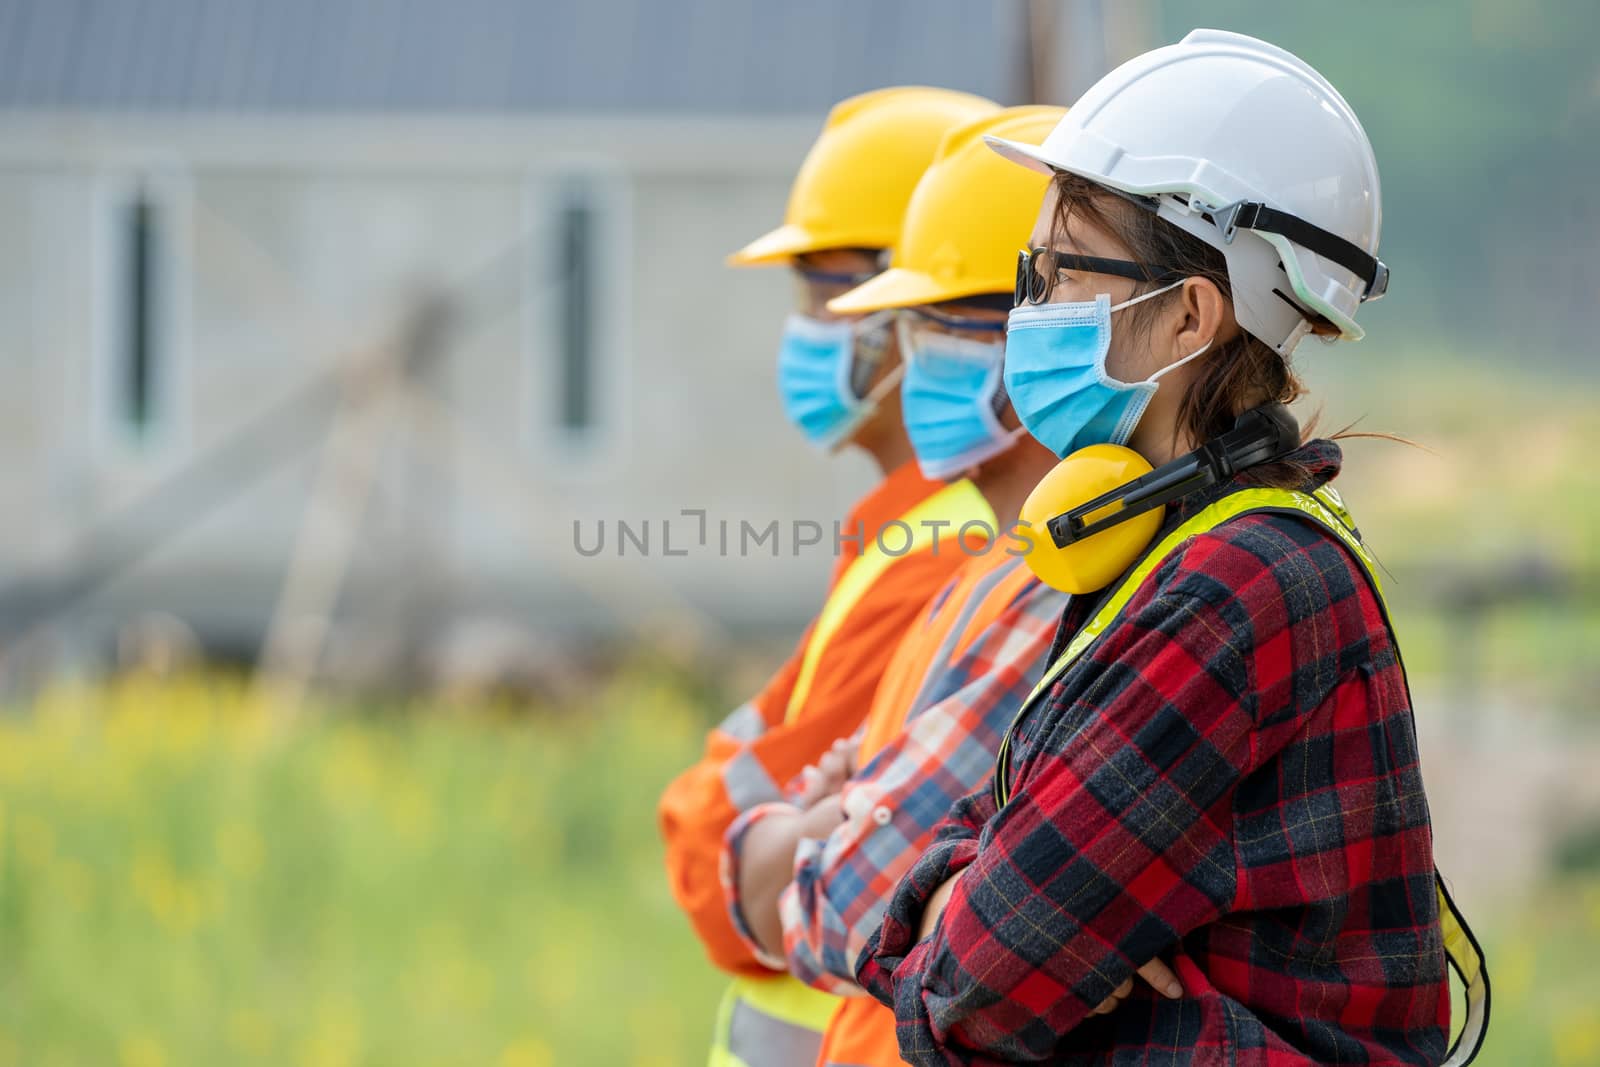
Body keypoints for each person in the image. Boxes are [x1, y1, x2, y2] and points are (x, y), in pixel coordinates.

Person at [856, 30, 1488, 1065]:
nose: (1031, 309)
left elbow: (972, 996)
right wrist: (976, 909)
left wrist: (978, 922)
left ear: (1189, 315)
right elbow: (980, 922)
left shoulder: (1233, 591)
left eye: (1059, 271)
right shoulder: (1169, 553)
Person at [719, 106, 1181, 1067]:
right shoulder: (986, 572)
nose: (904, 356)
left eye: (936, 329)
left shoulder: (1058, 585)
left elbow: (833, 894)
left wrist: (811, 833)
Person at [656, 85, 1000, 1067]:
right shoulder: (902, 533)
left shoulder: (948, 552)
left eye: (820, 289)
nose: (804, 327)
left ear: (908, 303)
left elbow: (712, 863)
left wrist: (732, 828)